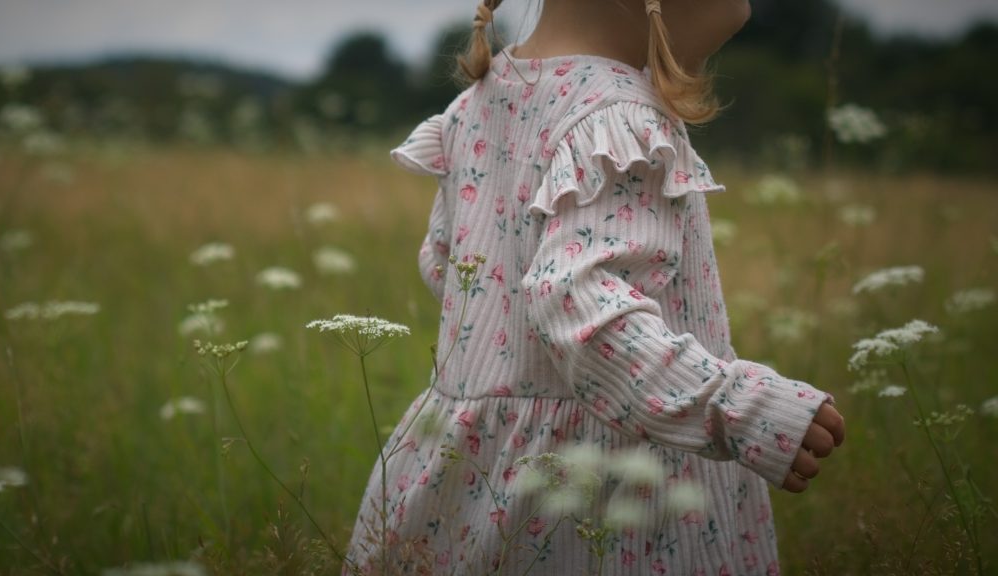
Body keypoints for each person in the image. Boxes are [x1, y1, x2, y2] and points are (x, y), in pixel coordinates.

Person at [346, 0, 846, 573]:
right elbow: (580, 306)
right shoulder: (620, 119)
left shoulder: (477, 105)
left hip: (470, 473)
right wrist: (737, 405)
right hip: (596, 493)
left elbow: (446, 265)